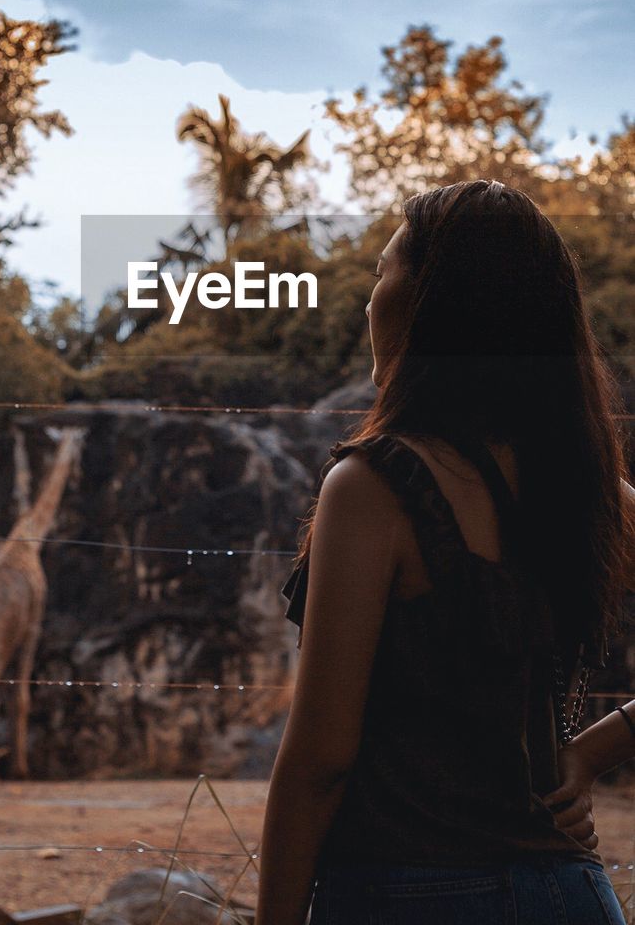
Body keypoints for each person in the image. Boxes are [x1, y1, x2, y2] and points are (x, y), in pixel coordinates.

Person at [255, 180, 635, 925]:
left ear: (428, 301)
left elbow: (319, 762)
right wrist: (594, 750)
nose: (369, 300)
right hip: (571, 898)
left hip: (406, 896)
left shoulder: (373, 487)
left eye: (379, 273)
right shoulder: (591, 487)